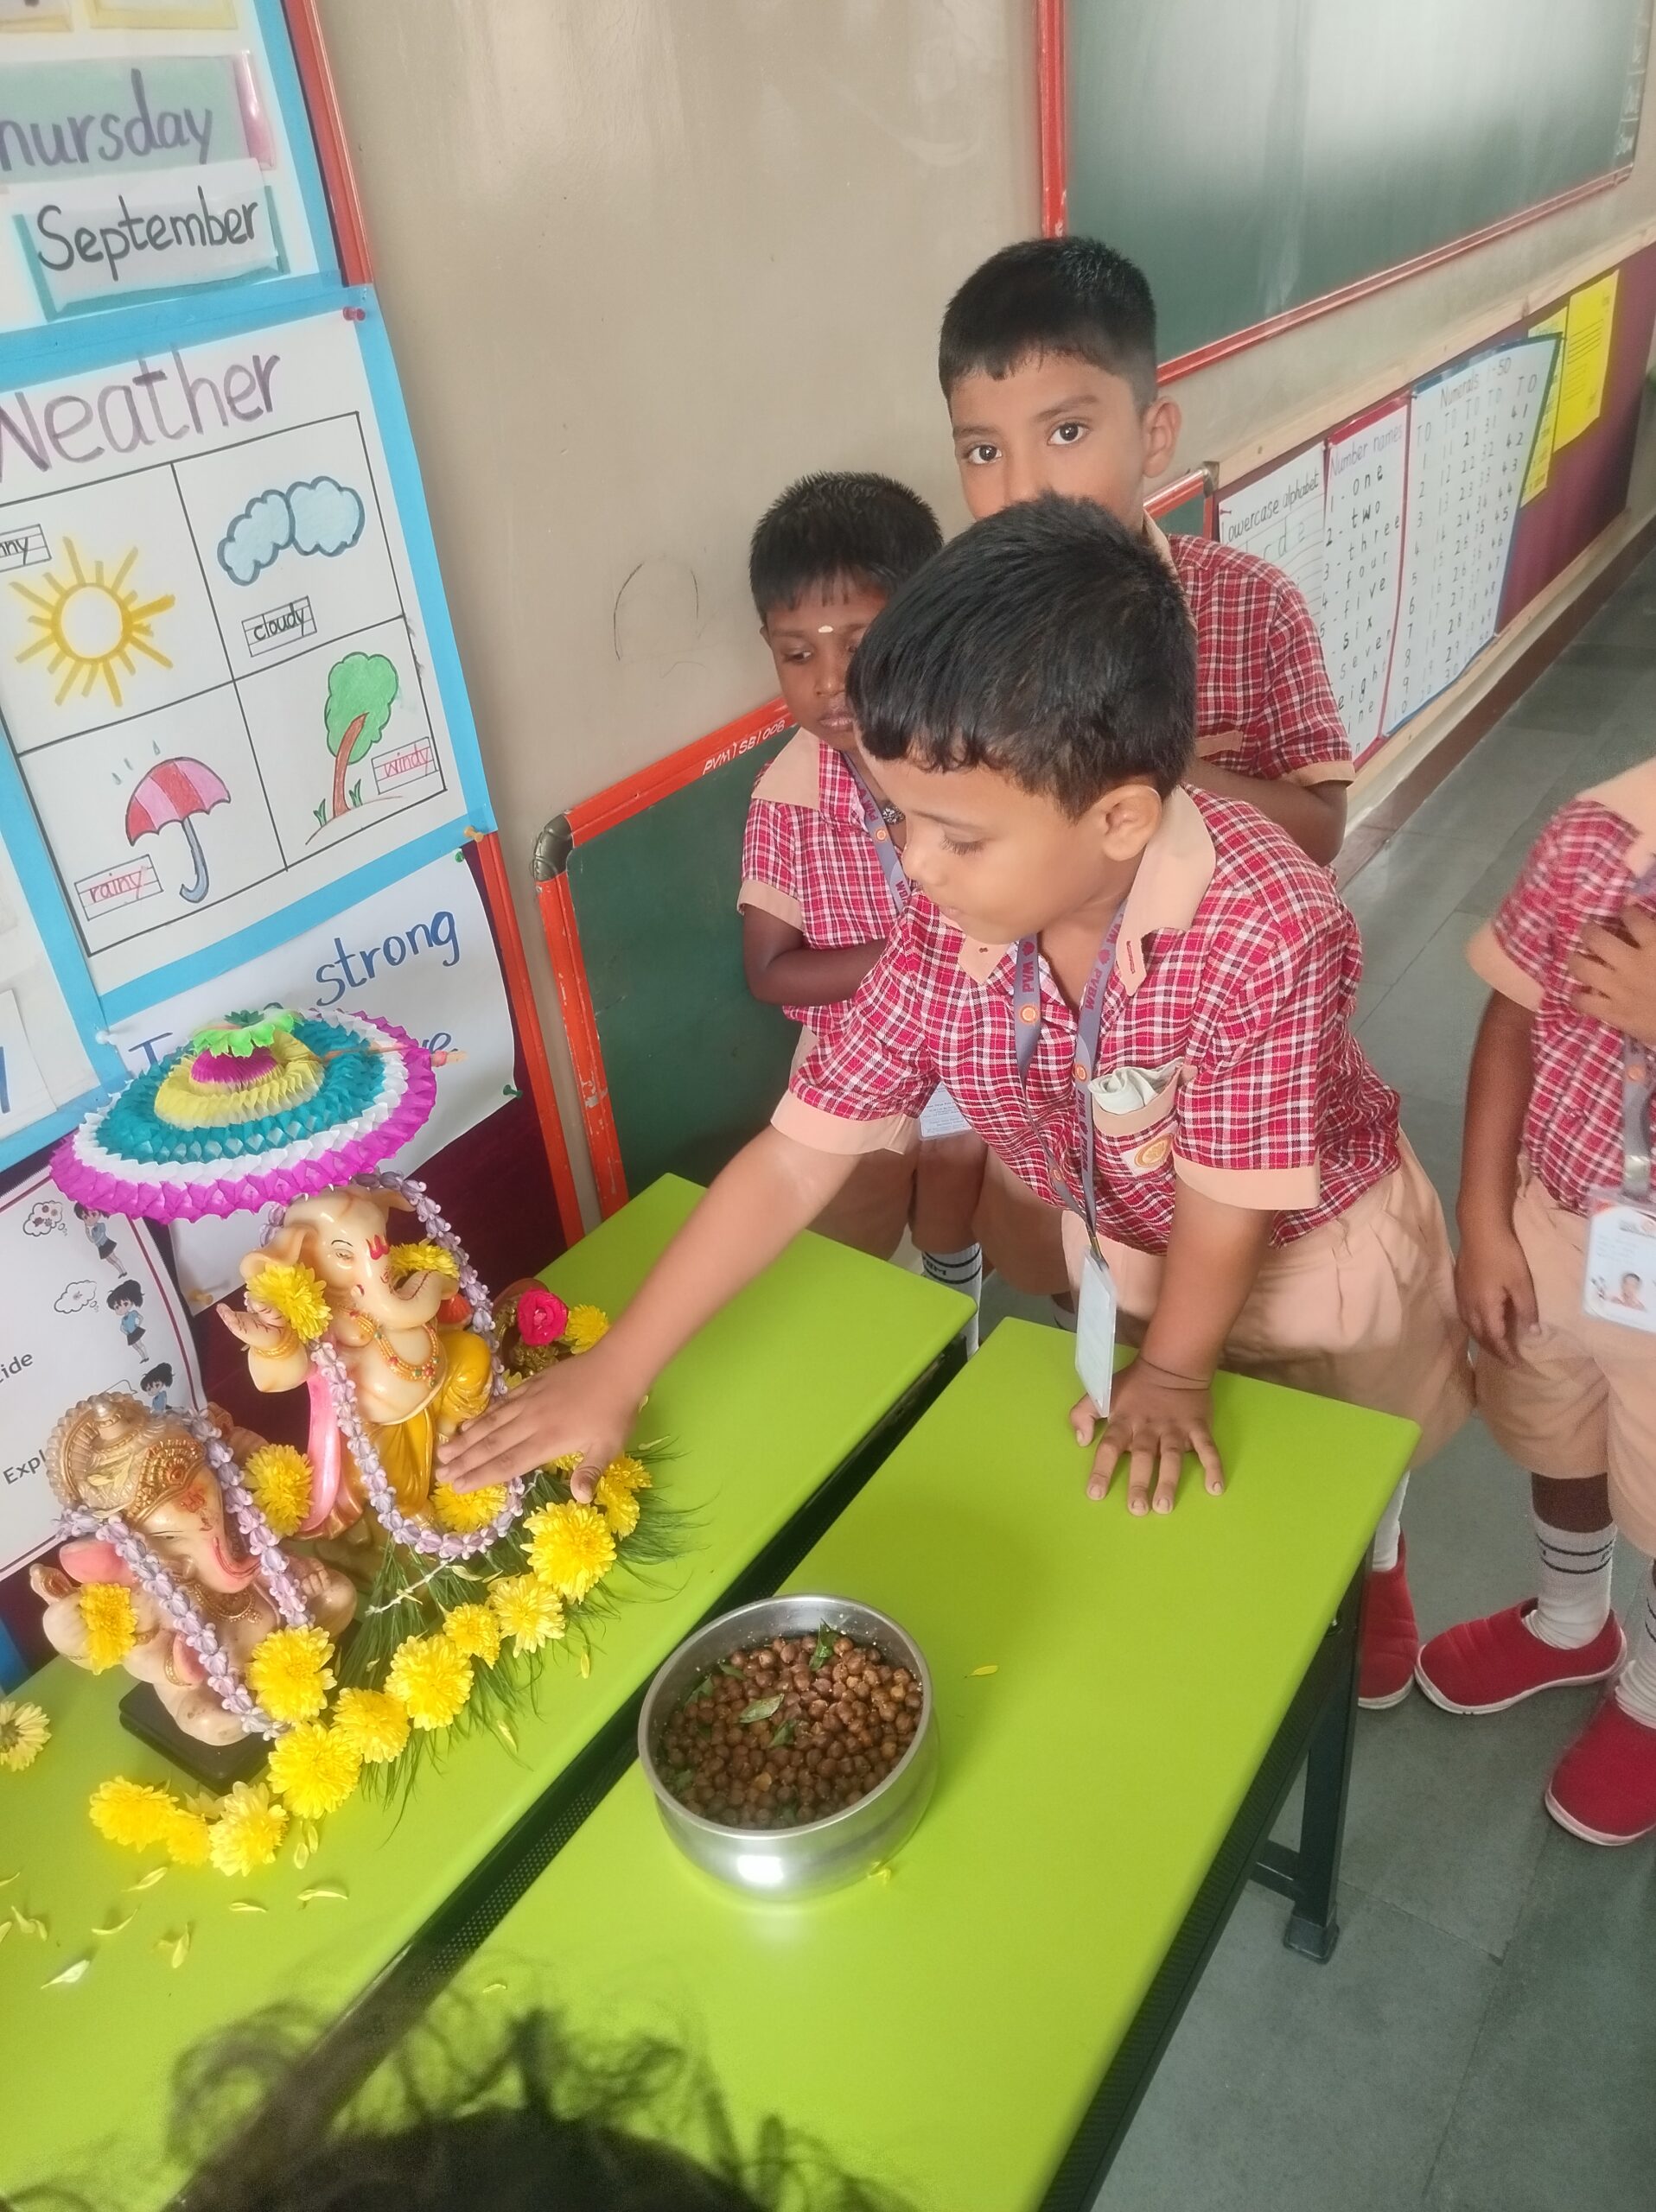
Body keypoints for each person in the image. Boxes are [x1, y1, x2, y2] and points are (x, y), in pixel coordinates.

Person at [442, 499, 1468, 1711]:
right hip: (1141, 1249)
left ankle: (1382, 1564)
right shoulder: (952, 915)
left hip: (1311, 1259)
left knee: (1346, 1442)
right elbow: (794, 1158)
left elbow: (1231, 1203)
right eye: (898, 819)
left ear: (1121, 816)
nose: (914, 867)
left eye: (956, 836)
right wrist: (617, 1372)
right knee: (1195, 1486)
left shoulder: (1263, 929)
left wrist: (1182, 1376)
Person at [937, 236, 1352, 867]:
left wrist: (1150, 764)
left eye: (1066, 432)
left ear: (1153, 437)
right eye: (984, 452)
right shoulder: (953, 636)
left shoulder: (1253, 606)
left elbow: (1321, 832)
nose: (1023, 489)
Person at [1418, 759, 1656, 1846]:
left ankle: (1649, 1699)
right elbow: (1511, 1020)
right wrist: (1482, 1217)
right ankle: (1571, 1621)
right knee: (1551, 1428)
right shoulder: (1597, 835)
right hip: (1559, 1226)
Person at [739, 472, 985, 1338]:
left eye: (859, 639)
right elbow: (769, 971)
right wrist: (916, 954)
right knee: (862, 1232)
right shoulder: (785, 794)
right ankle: (905, 1354)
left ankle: (961, 1329)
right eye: (796, 652)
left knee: (957, 1200)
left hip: (983, 1042)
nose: (830, 679)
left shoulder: (982, 754)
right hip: (855, 1061)